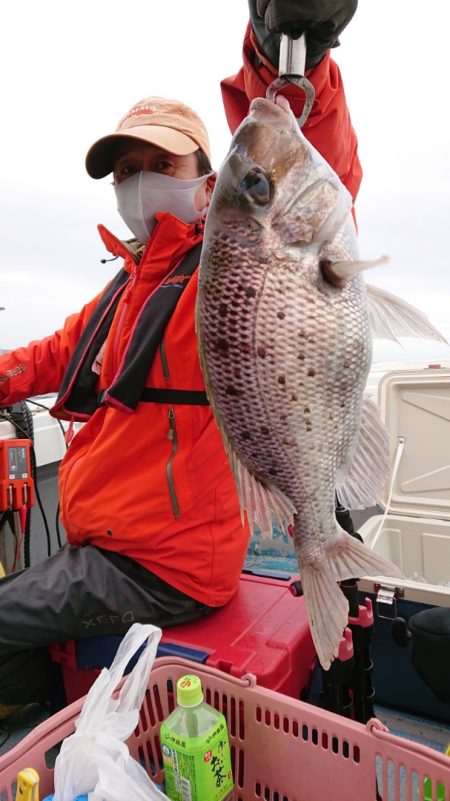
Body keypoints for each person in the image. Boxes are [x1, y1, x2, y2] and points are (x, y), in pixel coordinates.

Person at [0, 0, 360, 715]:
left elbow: (303, 171)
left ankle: (39, 729)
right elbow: (38, 360)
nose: (138, 182)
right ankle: (64, 717)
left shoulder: (221, 269)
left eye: (159, 162)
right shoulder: (127, 290)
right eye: (125, 170)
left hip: (165, 566)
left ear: (206, 178)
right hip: (107, 545)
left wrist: (291, 59)